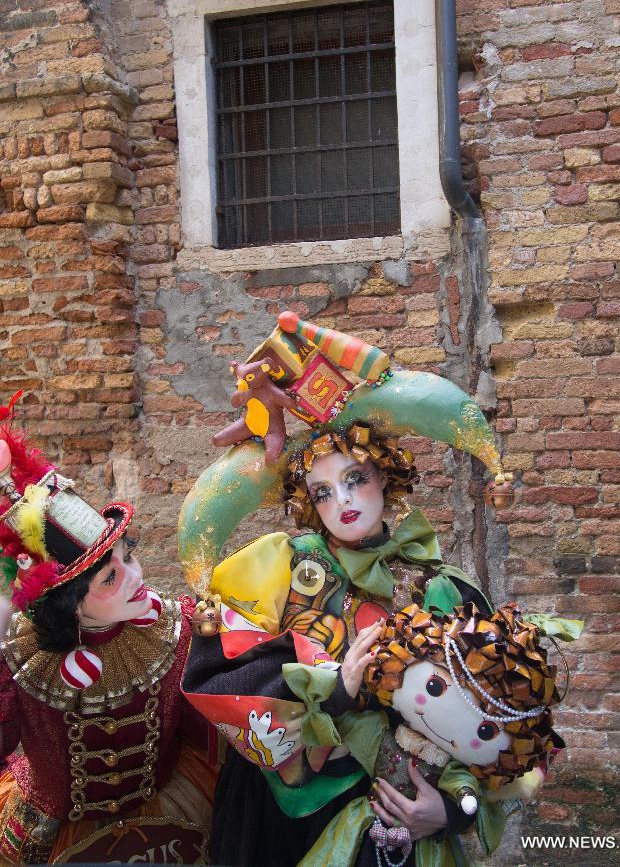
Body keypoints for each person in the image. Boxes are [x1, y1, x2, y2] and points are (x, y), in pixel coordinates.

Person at [180, 315, 512, 866]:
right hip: (285, 827)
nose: (344, 502)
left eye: (356, 478)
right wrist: (333, 687)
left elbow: (501, 722)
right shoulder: (273, 569)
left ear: (385, 474)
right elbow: (219, 685)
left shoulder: (444, 592)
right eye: (323, 490)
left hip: (399, 826)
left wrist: (455, 810)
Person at [0, 405, 217, 864]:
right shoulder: (18, 662)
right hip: (55, 831)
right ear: (69, 607)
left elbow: (208, 732)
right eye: (109, 578)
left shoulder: (176, 629)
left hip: (174, 816)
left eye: (129, 559)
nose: (136, 578)